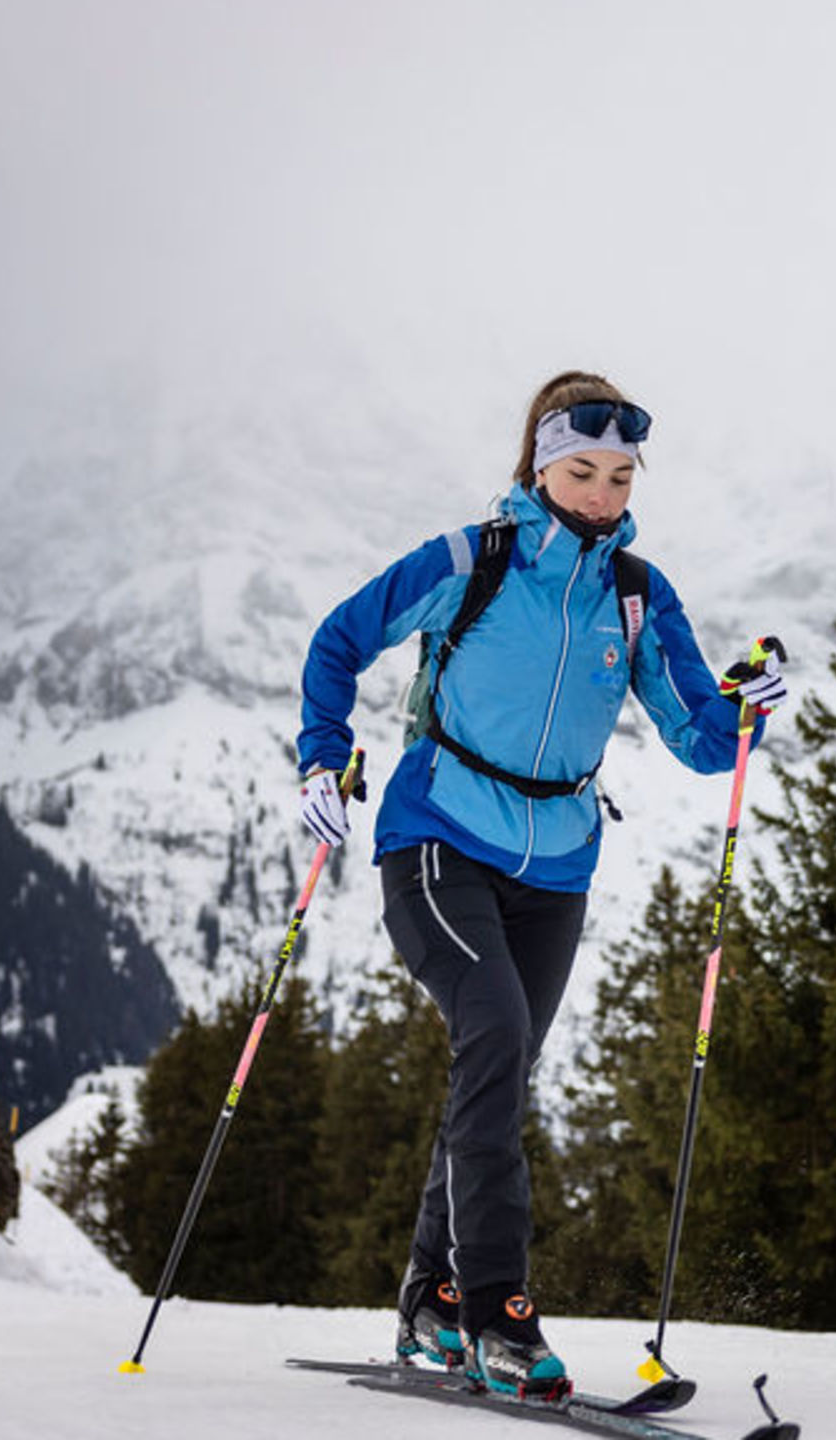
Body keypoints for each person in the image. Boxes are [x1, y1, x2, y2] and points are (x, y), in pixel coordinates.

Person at [293, 370, 787, 1400]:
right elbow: (339, 642)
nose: (603, 492)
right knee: (495, 1036)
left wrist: (744, 708)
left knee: (498, 1071)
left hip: (557, 863)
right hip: (436, 839)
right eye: (581, 470)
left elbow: (698, 735)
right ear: (538, 465)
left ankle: (430, 1296)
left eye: (619, 474)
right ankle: (497, 1316)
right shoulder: (469, 561)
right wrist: (321, 754)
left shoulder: (638, 594)